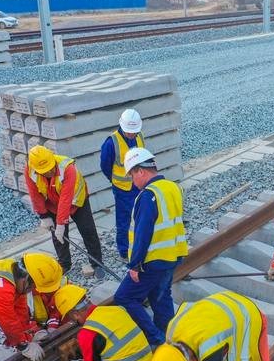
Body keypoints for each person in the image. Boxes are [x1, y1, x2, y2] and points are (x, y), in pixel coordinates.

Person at [113, 147, 188, 346]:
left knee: (125, 297)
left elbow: (143, 234)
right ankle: (170, 338)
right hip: (173, 255)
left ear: (140, 171)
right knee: (160, 297)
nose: (132, 182)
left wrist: (135, 265)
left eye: (132, 175)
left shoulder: (148, 195)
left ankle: (157, 338)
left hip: (153, 261)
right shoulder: (172, 187)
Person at [26, 145, 104, 279]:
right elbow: (34, 194)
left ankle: (97, 263)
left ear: (53, 159)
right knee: (58, 237)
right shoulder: (30, 170)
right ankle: (64, 264)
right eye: (45, 171)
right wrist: (43, 215)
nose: (49, 172)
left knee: (88, 230)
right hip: (53, 204)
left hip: (77, 201)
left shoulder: (68, 169)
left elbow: (66, 198)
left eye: (51, 168)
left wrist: (61, 223)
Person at [100, 109, 145, 261]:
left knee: (140, 215)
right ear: (122, 127)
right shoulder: (111, 143)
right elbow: (105, 166)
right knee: (124, 220)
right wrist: (115, 180)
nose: (132, 134)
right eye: (129, 132)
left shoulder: (140, 136)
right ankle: (124, 250)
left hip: (139, 185)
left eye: (134, 132)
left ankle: (139, 244)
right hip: (123, 189)